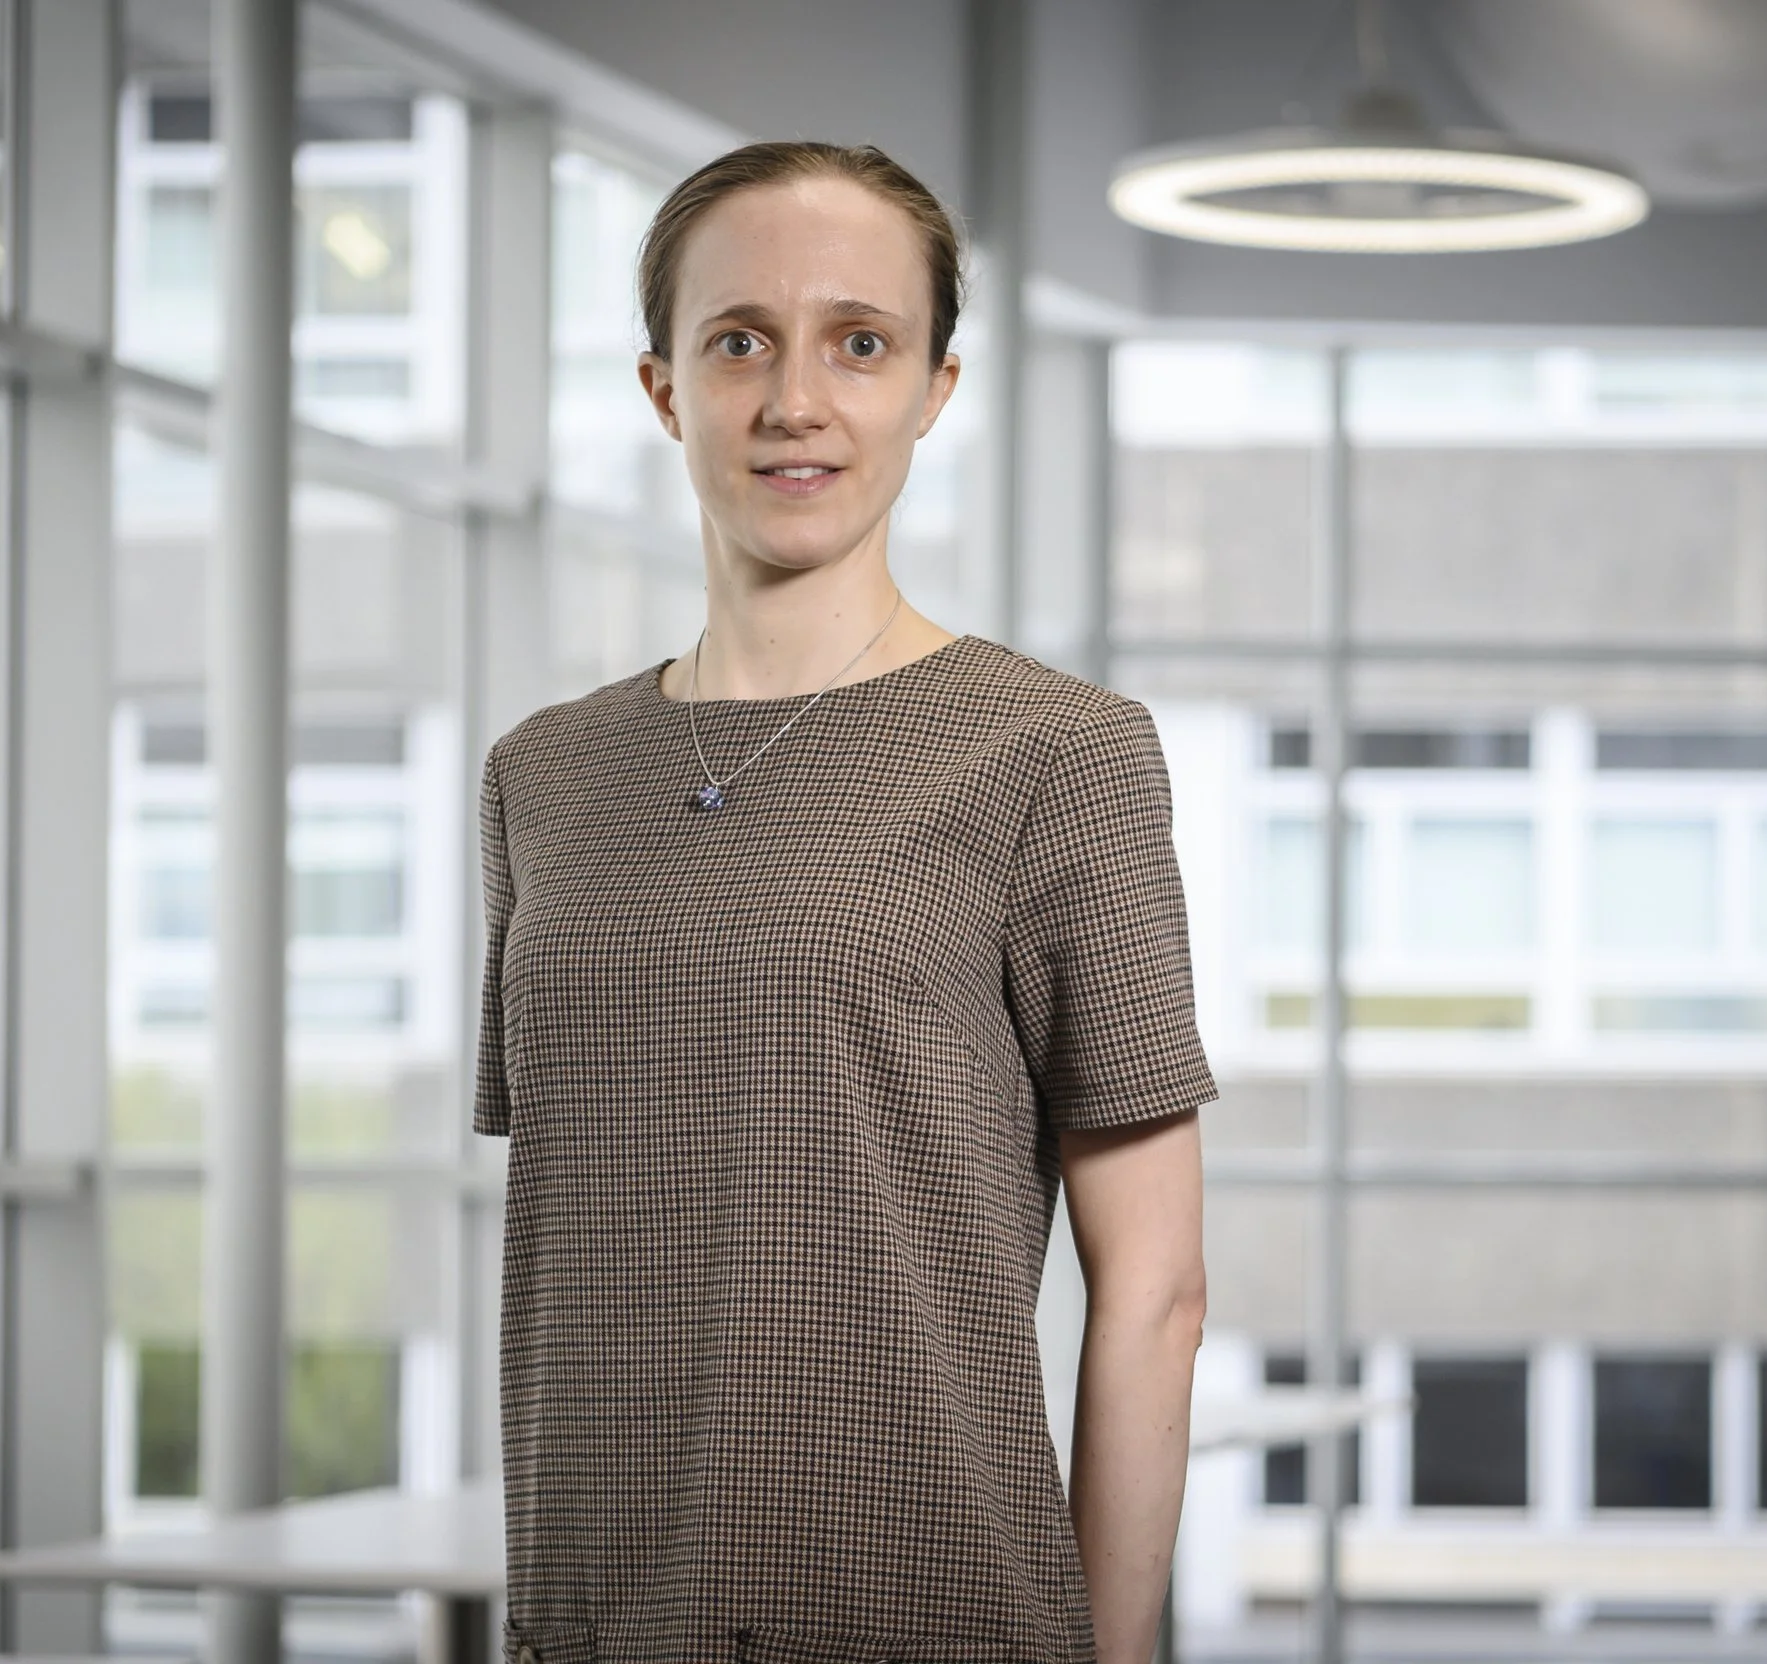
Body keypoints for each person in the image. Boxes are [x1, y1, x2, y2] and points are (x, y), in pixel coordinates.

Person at [474, 140, 1214, 1664]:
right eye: (738, 340)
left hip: (932, 1614)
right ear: (664, 387)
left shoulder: (1059, 754)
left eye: (857, 344)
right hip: (588, 1617)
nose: (794, 400)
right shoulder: (540, 776)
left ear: (933, 389)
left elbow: (1153, 1290)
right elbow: (594, 1222)